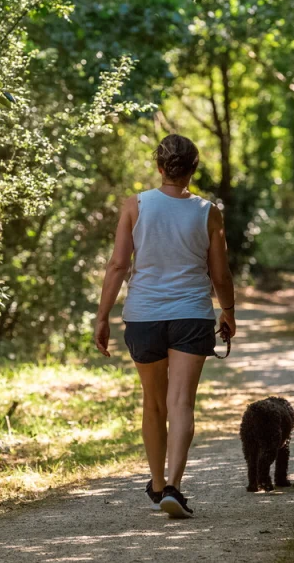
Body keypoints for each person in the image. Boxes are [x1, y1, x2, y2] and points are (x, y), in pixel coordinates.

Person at [94, 134, 236, 518]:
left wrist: (103, 315)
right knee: (181, 403)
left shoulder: (135, 205)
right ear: (193, 168)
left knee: (154, 405)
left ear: (160, 167)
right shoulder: (208, 211)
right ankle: (174, 485)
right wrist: (229, 311)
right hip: (192, 315)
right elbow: (220, 273)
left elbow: (118, 266)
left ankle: (157, 487)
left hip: (144, 316)